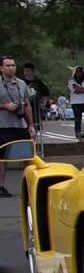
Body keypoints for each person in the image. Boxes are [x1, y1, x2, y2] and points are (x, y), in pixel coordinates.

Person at [0, 56, 36, 198]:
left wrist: (31, 125)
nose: (11, 68)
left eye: (13, 65)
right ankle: (1, 186)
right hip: (3, 125)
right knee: (2, 157)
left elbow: (27, 105)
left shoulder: (21, 84)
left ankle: (28, 185)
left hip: (19, 124)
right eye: (8, 66)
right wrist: (4, 106)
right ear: (1, 68)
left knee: (26, 155)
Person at [21, 63, 49, 133]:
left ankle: (33, 142)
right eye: (25, 71)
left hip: (35, 107)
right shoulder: (21, 82)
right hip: (24, 106)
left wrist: (43, 103)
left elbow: (46, 93)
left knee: (35, 126)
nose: (26, 73)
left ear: (32, 72)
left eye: (28, 71)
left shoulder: (38, 82)